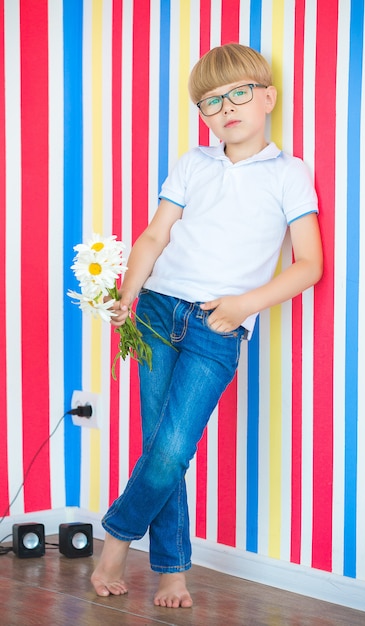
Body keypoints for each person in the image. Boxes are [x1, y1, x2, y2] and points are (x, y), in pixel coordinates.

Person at [91, 42, 323, 608]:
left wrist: (245, 306)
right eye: (211, 101)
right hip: (156, 310)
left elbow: (309, 266)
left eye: (239, 92)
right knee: (158, 445)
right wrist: (128, 293)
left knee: (172, 447)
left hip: (217, 326)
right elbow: (154, 236)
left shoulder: (289, 173)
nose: (226, 107)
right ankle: (172, 570)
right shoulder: (193, 163)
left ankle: (117, 538)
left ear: (267, 96)